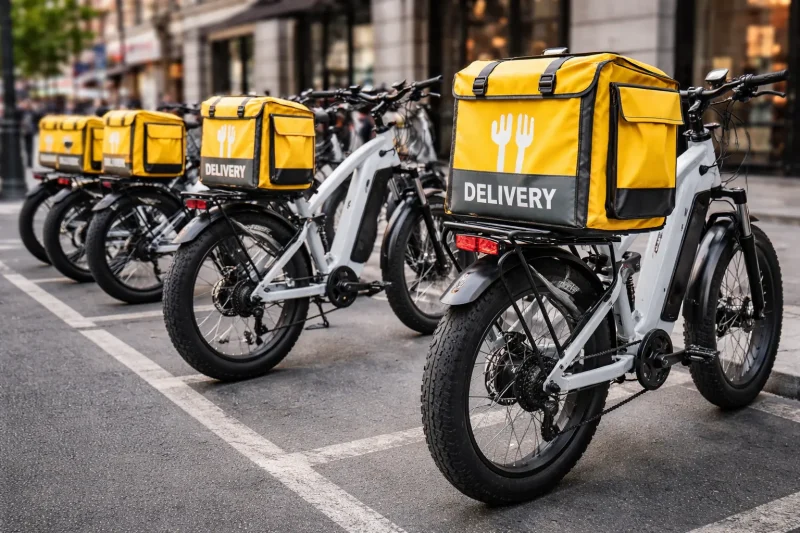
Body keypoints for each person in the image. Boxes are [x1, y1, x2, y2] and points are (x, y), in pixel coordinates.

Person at [19, 99, 38, 169]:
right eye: (25, 104)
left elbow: (37, 119)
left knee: (30, 148)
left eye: (27, 104)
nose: (26, 105)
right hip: (24, 131)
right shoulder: (22, 112)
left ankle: (29, 163)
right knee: (24, 148)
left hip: (30, 131)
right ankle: (27, 163)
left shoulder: (33, 112)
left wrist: (35, 129)